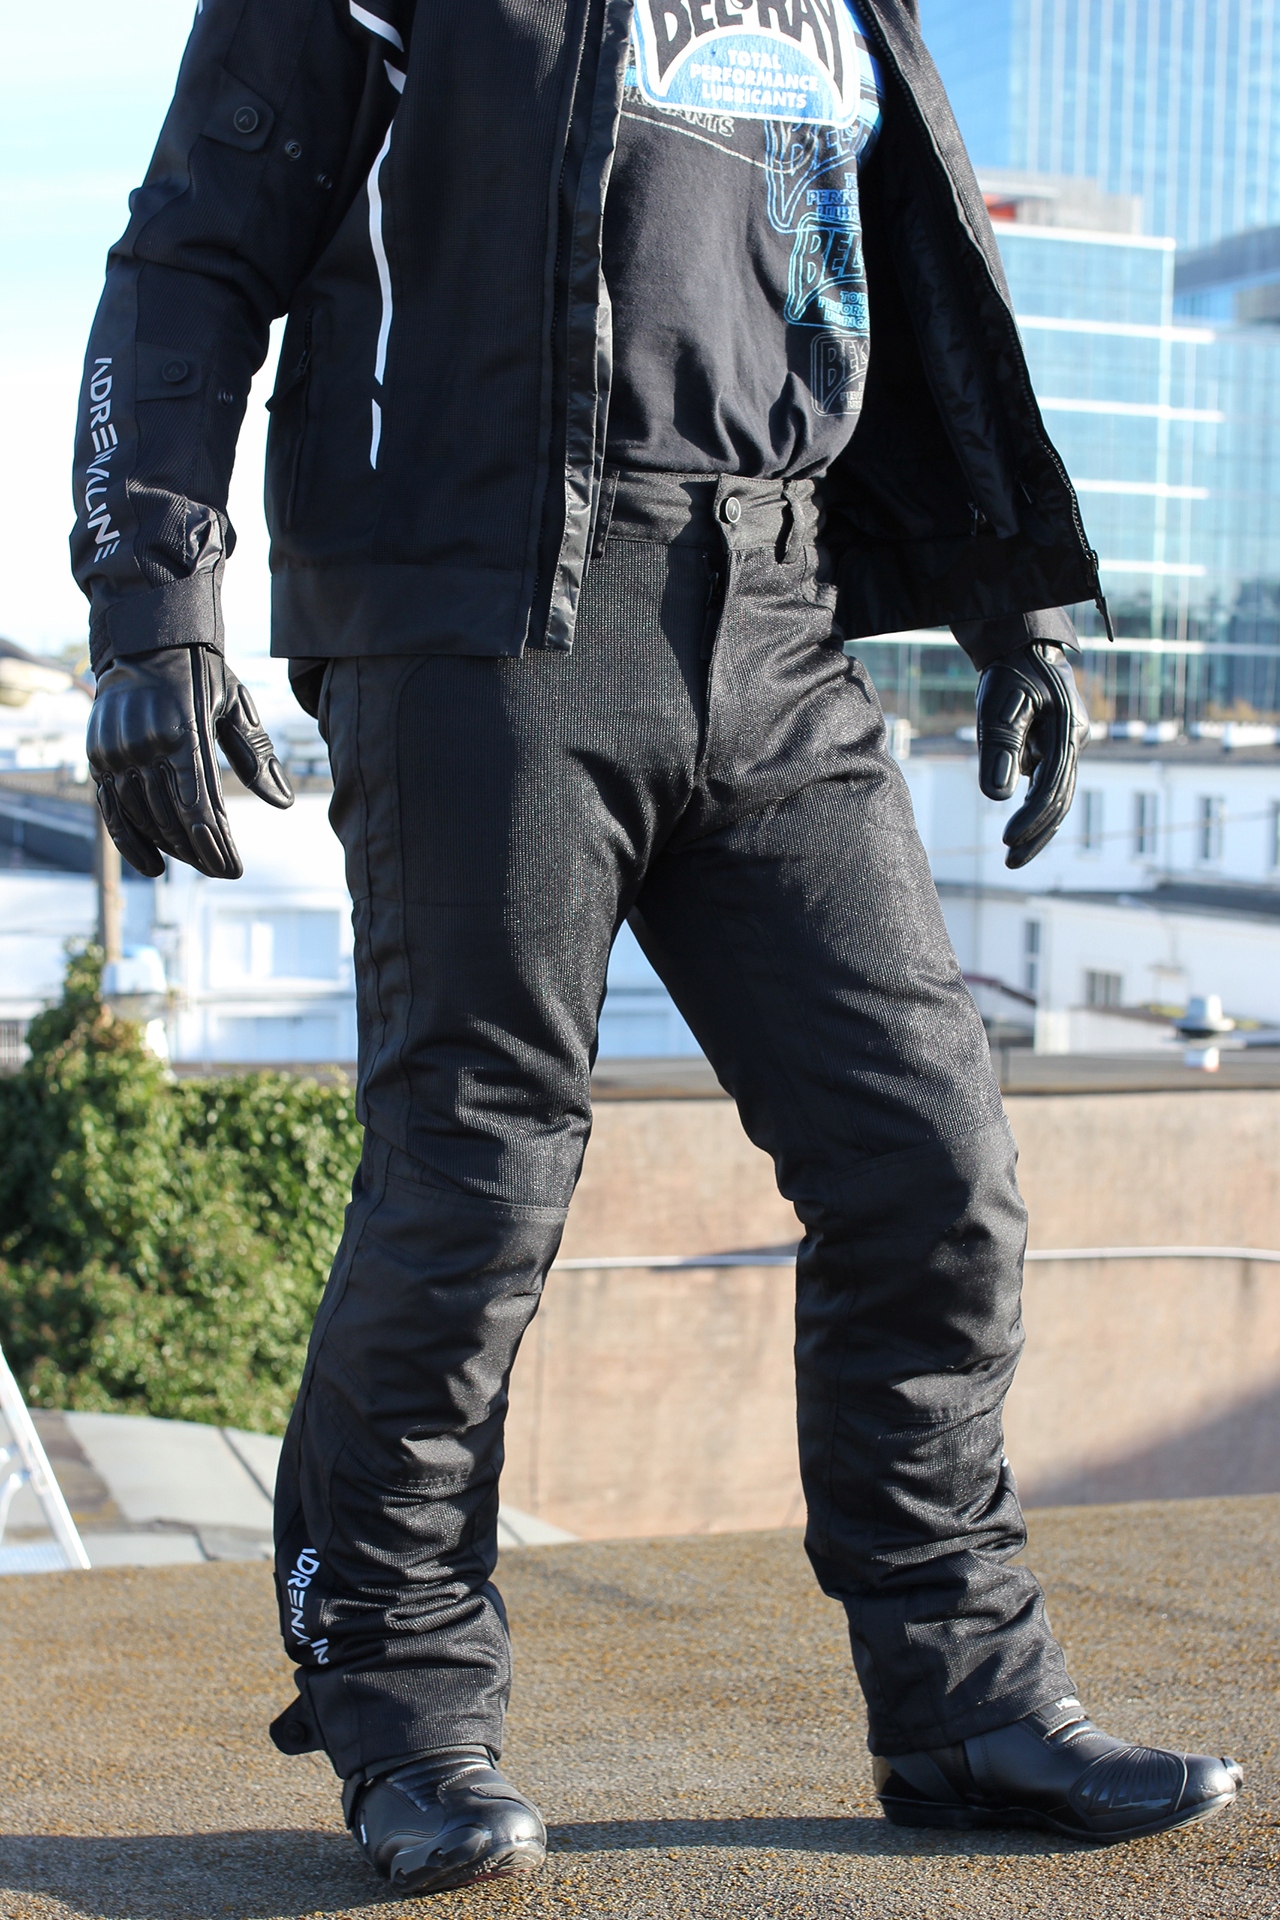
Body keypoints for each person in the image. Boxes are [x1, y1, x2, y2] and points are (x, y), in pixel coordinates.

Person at [73, 0, 1242, 1896]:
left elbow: (879, 251)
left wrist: (1009, 591)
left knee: (931, 1170)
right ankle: (404, 1715)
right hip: (478, 606)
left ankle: (962, 1702)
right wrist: (151, 603)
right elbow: (193, 249)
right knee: (473, 1185)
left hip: (775, 606)